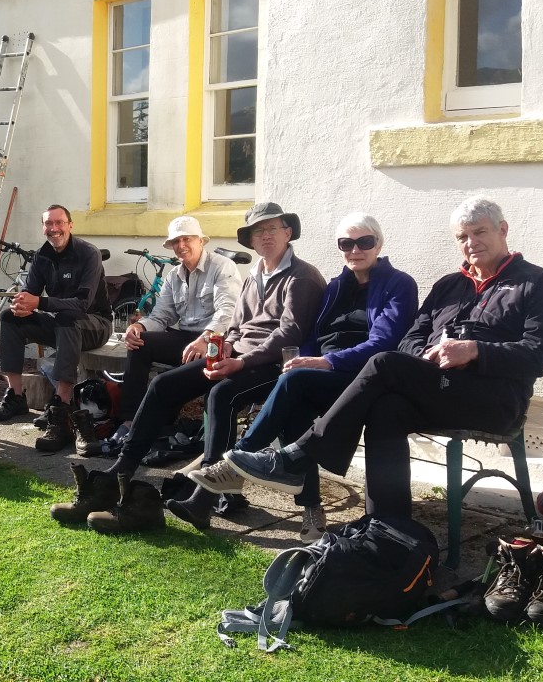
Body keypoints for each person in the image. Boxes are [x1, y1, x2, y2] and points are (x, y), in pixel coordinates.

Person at [219, 197, 543, 519]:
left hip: (494, 399)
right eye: (462, 236)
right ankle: (385, 524)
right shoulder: (448, 286)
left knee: (383, 362)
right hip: (439, 385)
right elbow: (411, 338)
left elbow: (538, 355)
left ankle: (296, 456)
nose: (471, 242)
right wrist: (428, 356)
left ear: (502, 230)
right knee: (386, 409)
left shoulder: (534, 283)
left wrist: (474, 350)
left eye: (480, 232)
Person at [52, 202, 325, 532]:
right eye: (258, 231)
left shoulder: (302, 276)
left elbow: (288, 333)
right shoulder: (255, 273)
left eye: (272, 229)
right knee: (162, 385)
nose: (265, 236)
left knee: (220, 395)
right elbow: (237, 323)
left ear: (288, 232)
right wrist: (222, 348)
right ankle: (117, 474)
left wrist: (235, 359)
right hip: (233, 354)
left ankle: (204, 496)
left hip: (271, 365)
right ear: (251, 240)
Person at [174, 213, 418, 539]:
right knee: (296, 405)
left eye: (364, 242)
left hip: (364, 378)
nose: (355, 249)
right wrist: (303, 359)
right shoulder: (335, 287)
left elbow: (382, 343)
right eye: (347, 243)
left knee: (294, 383)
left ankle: (231, 469)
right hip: (324, 373)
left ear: (379, 244)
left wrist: (325, 362)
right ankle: (311, 508)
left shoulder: (398, 284)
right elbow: (312, 336)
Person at [0, 204, 112, 454]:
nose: (54, 229)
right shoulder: (41, 256)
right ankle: (16, 396)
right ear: (43, 227)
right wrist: (22, 305)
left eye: (59, 223)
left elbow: (82, 304)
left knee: (68, 317)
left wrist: (40, 303)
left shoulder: (89, 254)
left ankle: (61, 405)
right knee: (8, 317)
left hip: (95, 323)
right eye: (48, 224)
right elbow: (31, 294)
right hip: (60, 324)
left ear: (70, 225)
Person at [113, 216, 241, 439]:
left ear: (201, 241)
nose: (181, 246)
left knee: (181, 376)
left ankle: (206, 433)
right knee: (139, 344)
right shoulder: (174, 275)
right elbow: (162, 314)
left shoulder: (222, 267)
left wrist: (206, 338)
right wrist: (140, 327)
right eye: (176, 241)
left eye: (187, 239)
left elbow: (227, 313)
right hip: (186, 339)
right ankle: (131, 420)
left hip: (216, 341)